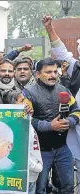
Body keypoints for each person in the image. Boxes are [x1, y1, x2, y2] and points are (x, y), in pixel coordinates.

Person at [23, 57, 80, 194]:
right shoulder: (27, 93)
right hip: (40, 151)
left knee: (68, 187)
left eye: (55, 72)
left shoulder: (64, 90)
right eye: (48, 72)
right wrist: (49, 126)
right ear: (37, 74)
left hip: (63, 148)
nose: (53, 75)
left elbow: (77, 111)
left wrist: (70, 122)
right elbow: (25, 120)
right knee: (40, 189)